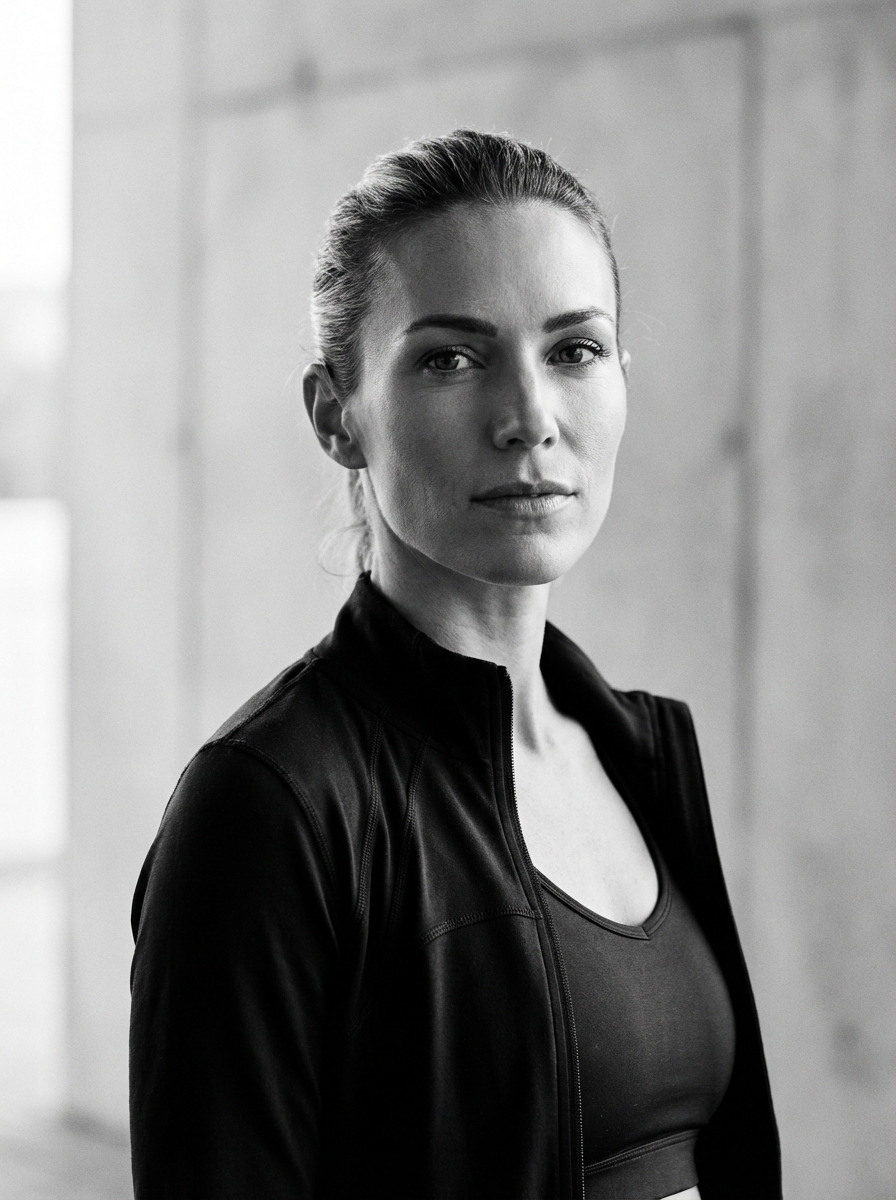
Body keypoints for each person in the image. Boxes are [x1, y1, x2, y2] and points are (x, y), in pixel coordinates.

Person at [129, 129, 781, 1200]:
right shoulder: (271, 806)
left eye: (574, 350)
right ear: (336, 416)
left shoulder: (640, 749)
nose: (529, 419)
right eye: (450, 358)